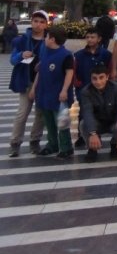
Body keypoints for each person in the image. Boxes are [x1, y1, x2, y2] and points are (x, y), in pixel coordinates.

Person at [28, 25, 75, 159]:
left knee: (61, 122)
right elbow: (40, 72)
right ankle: (52, 144)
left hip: (59, 95)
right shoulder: (45, 52)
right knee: (49, 122)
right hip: (44, 93)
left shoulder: (66, 55)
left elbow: (69, 73)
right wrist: (33, 89)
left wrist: (65, 90)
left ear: (52, 39)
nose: (45, 39)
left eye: (47, 37)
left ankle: (66, 147)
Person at [7, 10, 48, 157]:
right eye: (36, 21)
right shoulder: (22, 40)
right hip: (26, 81)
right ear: (32, 22)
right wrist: (20, 55)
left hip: (43, 83)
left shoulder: (49, 40)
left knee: (40, 113)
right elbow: (12, 60)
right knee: (22, 113)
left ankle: (35, 141)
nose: (38, 24)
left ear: (46, 24)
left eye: (42, 22)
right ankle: (15, 143)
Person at [79, 65, 117, 162]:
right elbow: (87, 112)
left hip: (113, 122)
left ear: (107, 77)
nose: (98, 82)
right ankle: (92, 148)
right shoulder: (86, 92)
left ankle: (114, 144)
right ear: (91, 79)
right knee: (83, 124)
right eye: (94, 78)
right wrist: (92, 133)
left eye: (101, 77)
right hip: (97, 123)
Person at [72, 28, 113, 147]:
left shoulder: (106, 54)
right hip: (84, 88)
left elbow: (110, 68)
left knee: (99, 110)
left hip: (102, 88)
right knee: (83, 112)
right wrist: (76, 82)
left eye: (93, 37)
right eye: (88, 37)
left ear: (99, 39)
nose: (90, 40)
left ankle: (97, 133)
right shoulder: (79, 54)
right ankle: (82, 135)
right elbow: (74, 70)